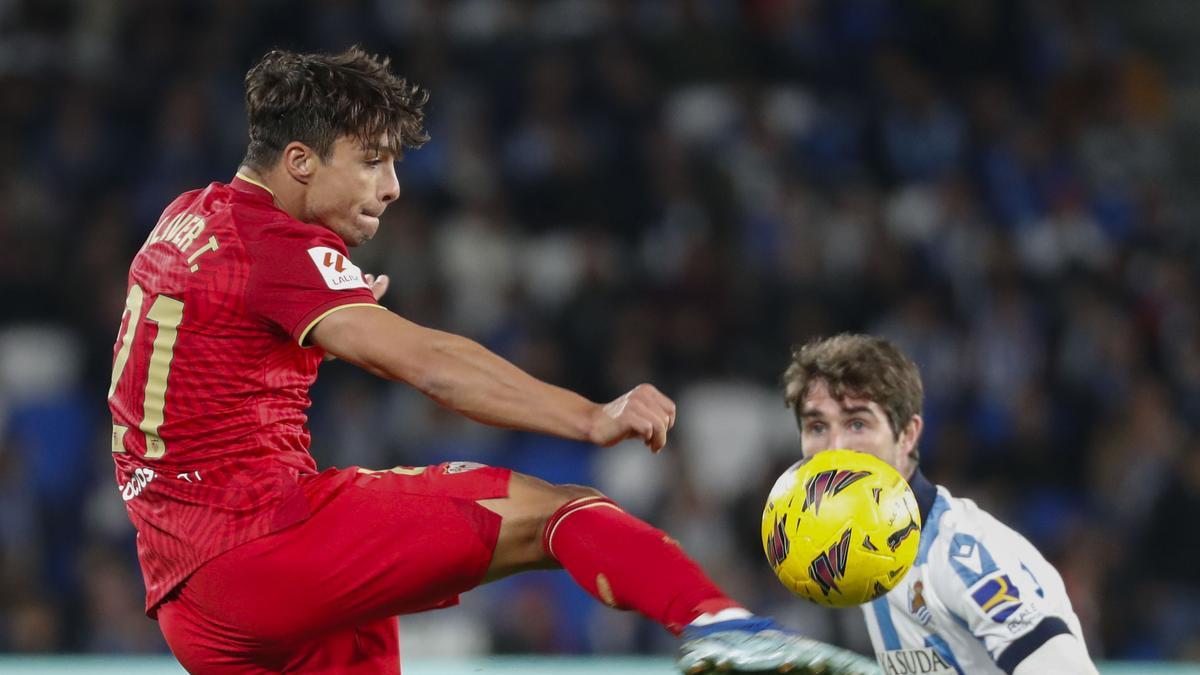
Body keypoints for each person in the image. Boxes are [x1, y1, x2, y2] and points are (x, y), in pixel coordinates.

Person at [106, 46, 878, 674]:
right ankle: (724, 626)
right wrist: (589, 412)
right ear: (302, 161)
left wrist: (326, 310)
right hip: (263, 545)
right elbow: (434, 364)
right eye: (372, 161)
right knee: (562, 511)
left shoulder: (189, 215)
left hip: (189, 599)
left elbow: (209, 362)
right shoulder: (277, 247)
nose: (394, 185)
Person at [782, 334, 1099, 674]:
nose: (835, 449)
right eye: (817, 427)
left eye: (857, 423)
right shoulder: (868, 550)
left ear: (907, 434)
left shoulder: (962, 557)